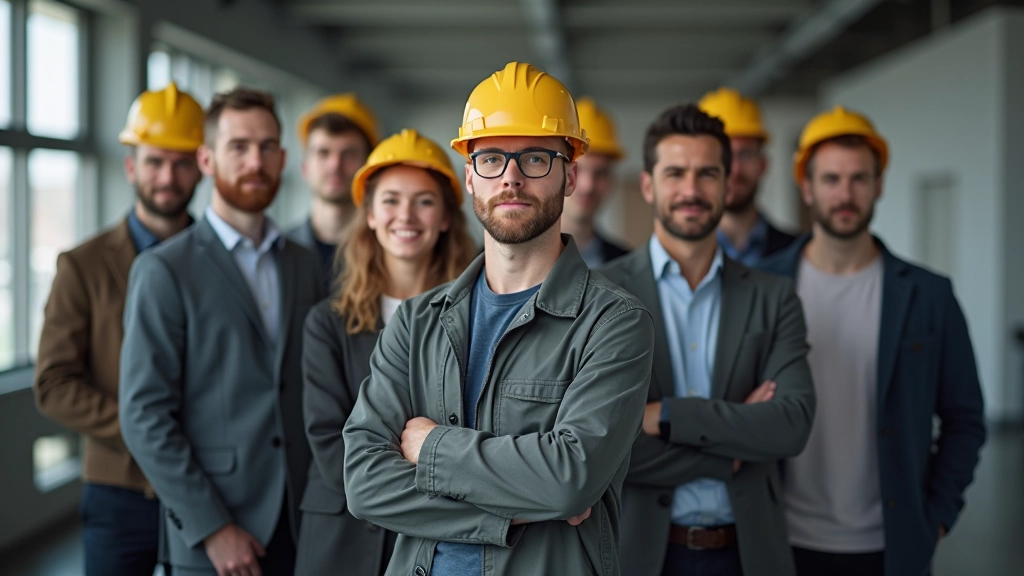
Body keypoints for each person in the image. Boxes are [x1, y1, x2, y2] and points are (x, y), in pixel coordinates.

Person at [342, 61, 655, 576]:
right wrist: (515, 511)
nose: (511, 177)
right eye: (490, 158)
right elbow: (364, 483)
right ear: (469, 176)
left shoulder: (614, 321)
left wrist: (429, 445)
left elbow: (570, 480)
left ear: (570, 174)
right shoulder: (417, 321)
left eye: (536, 158)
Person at [760, 106, 986, 576]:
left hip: (892, 544)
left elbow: (965, 418)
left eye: (859, 179)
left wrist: (936, 518)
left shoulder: (929, 295)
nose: (845, 194)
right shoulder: (761, 286)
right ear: (807, 187)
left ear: (879, 185)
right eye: (831, 179)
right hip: (782, 539)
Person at [602, 104, 814, 576]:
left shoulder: (773, 296)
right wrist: (732, 451)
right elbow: (598, 445)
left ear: (727, 183)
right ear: (647, 185)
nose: (691, 190)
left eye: (707, 174)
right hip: (637, 554)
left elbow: (791, 424)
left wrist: (667, 415)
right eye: (675, 173)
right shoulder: (600, 294)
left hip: (750, 553)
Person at [120, 87, 325, 576]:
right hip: (215, 533)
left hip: (303, 522)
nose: (255, 160)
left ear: (281, 158)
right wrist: (211, 527)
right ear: (207, 159)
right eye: (239, 147)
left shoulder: (304, 264)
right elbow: (143, 414)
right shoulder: (164, 269)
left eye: (266, 146)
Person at [33, 82, 204, 576]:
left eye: (181, 162)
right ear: (131, 167)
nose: (167, 176)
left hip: (213, 482)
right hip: (120, 490)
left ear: (201, 167)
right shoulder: (82, 266)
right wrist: (150, 432)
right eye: (154, 161)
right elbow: (54, 383)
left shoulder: (222, 262)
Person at [296, 129, 475, 576]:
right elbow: (329, 442)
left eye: (425, 201)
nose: (406, 216)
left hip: (445, 542)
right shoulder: (327, 323)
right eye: (391, 200)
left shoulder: (477, 320)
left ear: (447, 218)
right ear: (371, 215)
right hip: (343, 538)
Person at [699, 88, 796, 267]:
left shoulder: (797, 252)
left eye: (745, 154)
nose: (734, 169)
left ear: (764, 163)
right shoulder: (677, 256)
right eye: (723, 156)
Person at [289, 93, 378, 279]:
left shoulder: (389, 252)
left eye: (349, 153)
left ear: (369, 170)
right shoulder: (279, 252)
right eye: (323, 152)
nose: (335, 165)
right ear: (305, 167)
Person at [560, 97, 630, 266]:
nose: (588, 186)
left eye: (600, 173)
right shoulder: (510, 262)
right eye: (578, 170)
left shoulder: (626, 265)